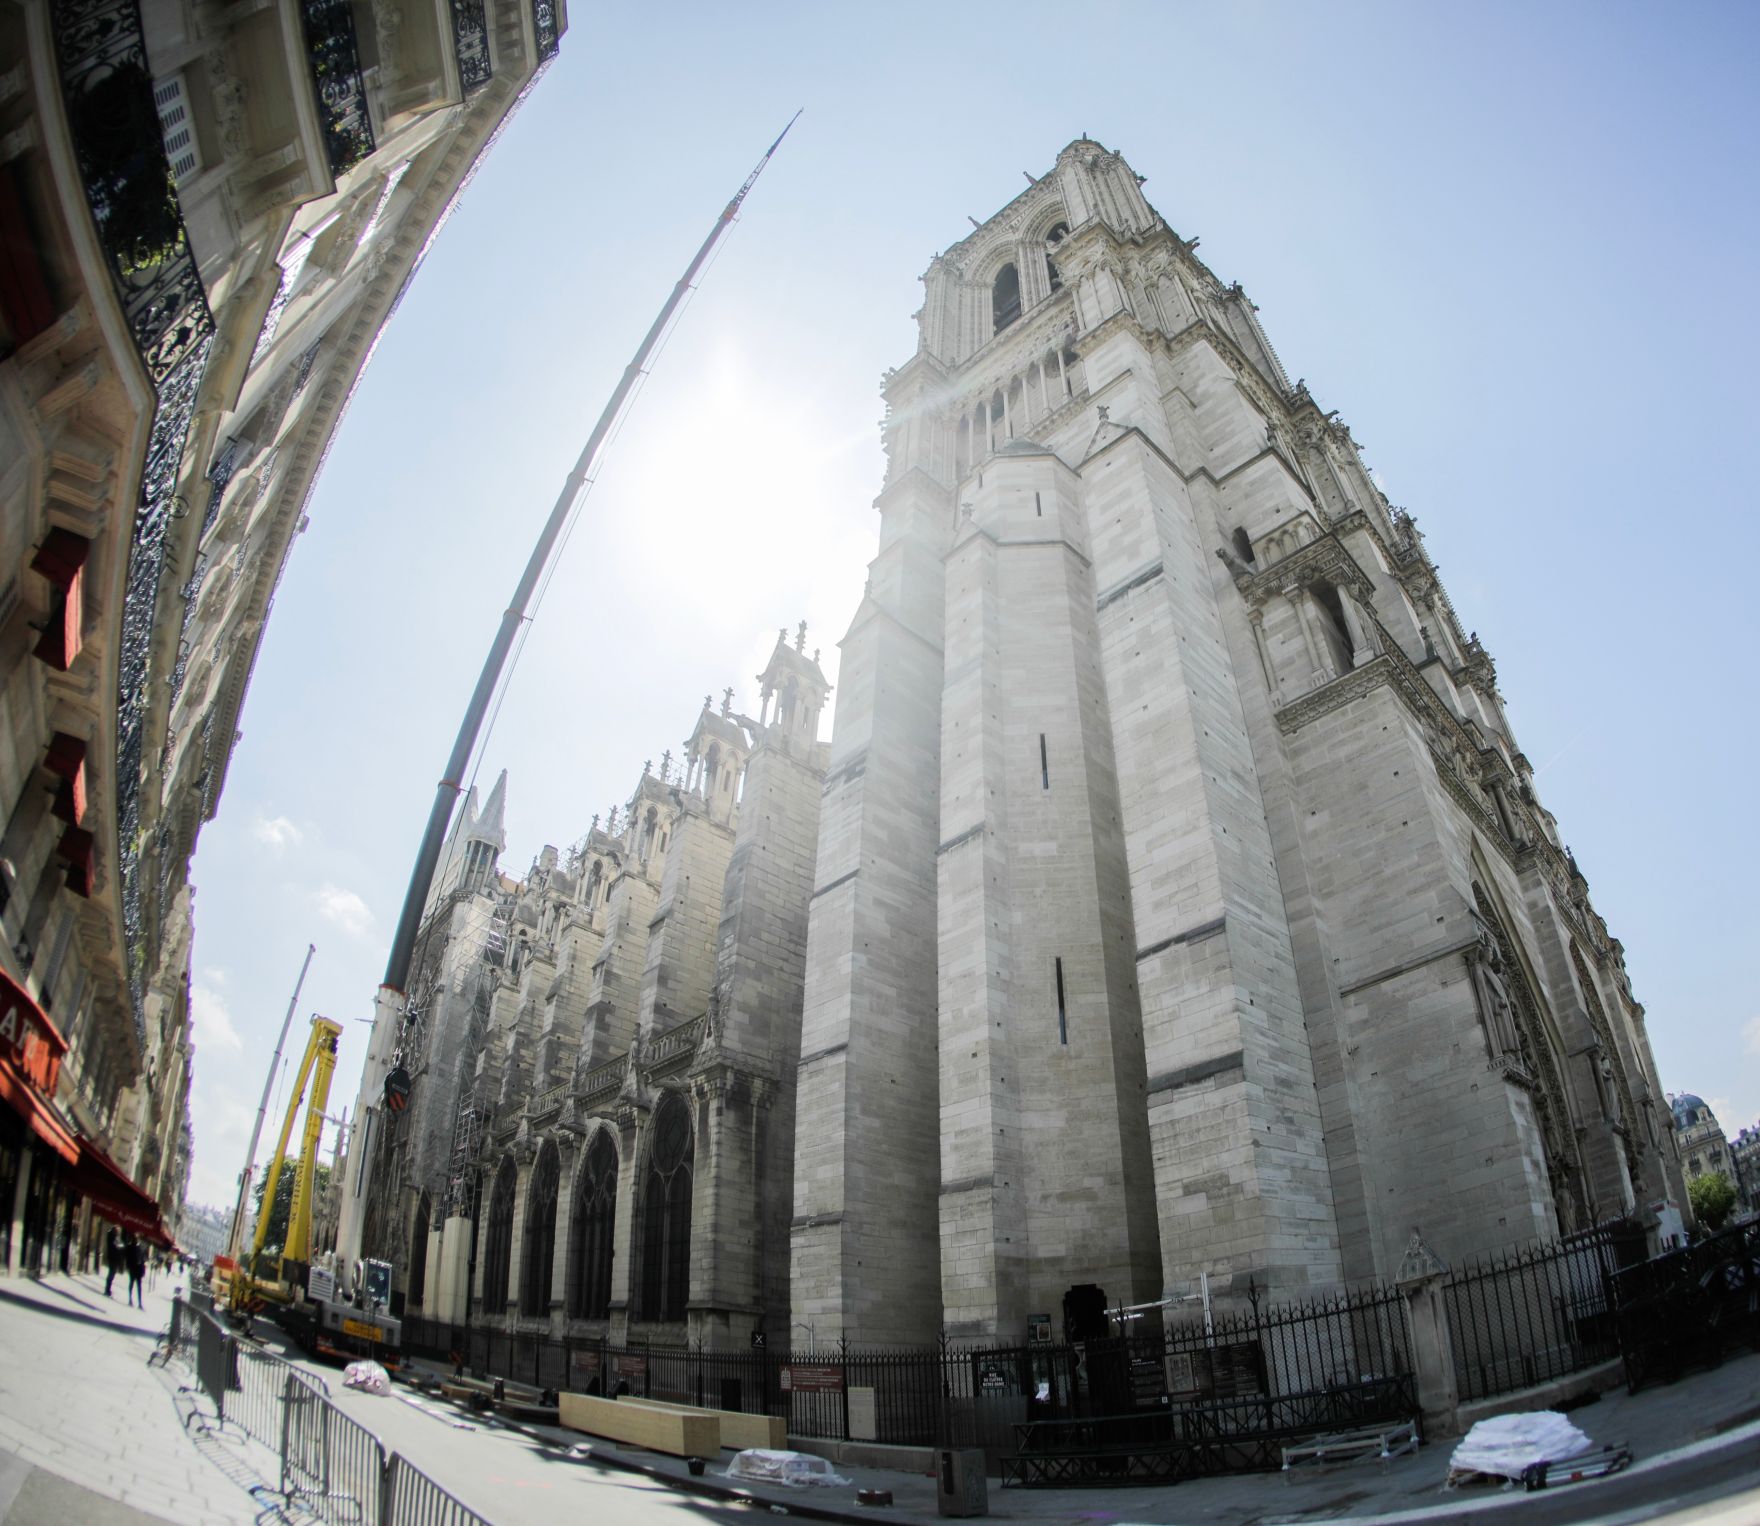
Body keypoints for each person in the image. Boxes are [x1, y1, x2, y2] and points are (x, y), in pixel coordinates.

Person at [124, 1232, 147, 1309]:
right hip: (133, 1268)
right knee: (131, 1284)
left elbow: (143, 1260)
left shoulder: (141, 1247)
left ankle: (140, 1303)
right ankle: (130, 1299)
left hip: (139, 1269)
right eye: (135, 1238)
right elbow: (127, 1257)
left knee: (139, 1286)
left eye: (137, 1238)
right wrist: (128, 1266)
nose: (136, 1240)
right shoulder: (130, 1247)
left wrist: (143, 1270)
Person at [104, 1227, 123, 1298]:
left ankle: (108, 1289)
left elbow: (120, 1245)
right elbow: (118, 1246)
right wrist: (119, 1246)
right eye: (117, 1231)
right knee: (111, 1274)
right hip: (113, 1258)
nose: (118, 1232)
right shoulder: (112, 1237)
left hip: (114, 1258)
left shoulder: (115, 1238)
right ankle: (107, 1289)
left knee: (112, 1274)